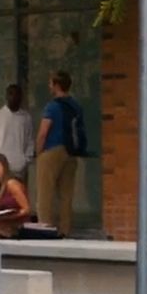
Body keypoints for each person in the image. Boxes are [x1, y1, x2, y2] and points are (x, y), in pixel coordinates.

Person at [35, 71, 82, 236]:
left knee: (45, 194)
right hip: (70, 152)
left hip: (52, 150)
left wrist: (38, 152)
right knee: (66, 195)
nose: (49, 86)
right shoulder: (75, 106)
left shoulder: (52, 106)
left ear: (56, 85)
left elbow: (43, 132)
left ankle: (45, 229)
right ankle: (65, 230)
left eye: (50, 83)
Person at [0, 84, 35, 191]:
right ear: (6, 96)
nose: (13, 97)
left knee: (18, 202)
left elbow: (30, 141)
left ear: (21, 97)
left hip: (18, 170)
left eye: (17, 94)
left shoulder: (26, 118)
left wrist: (25, 160)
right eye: (11, 94)